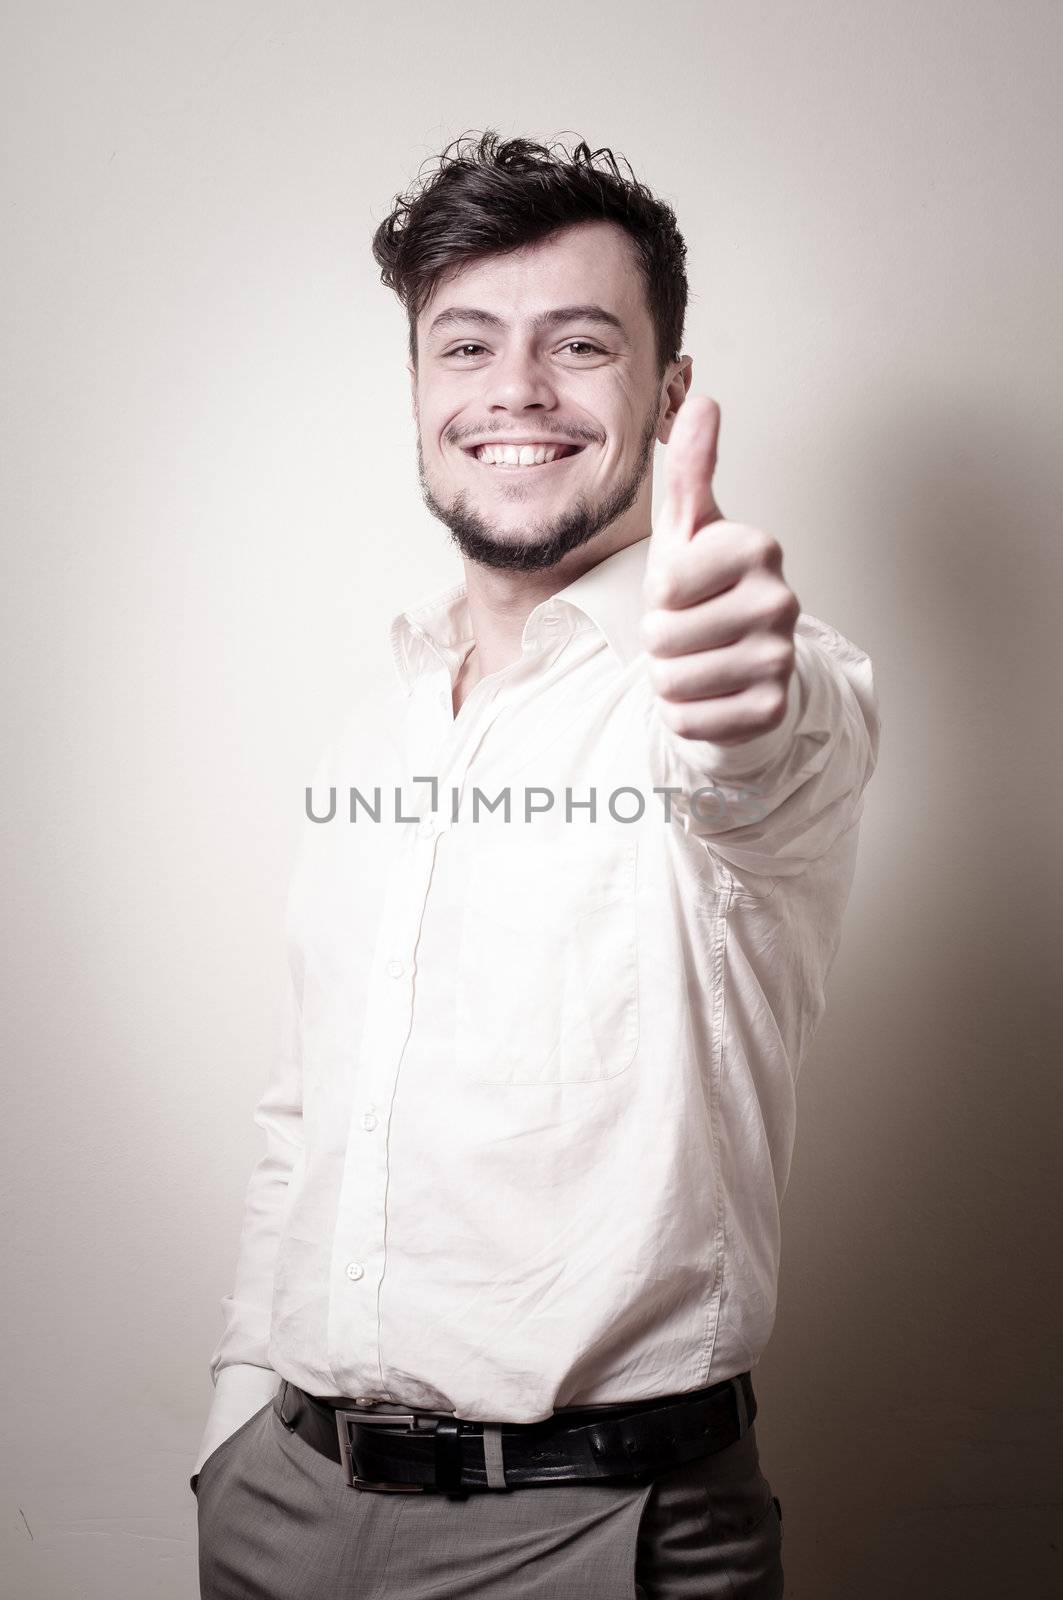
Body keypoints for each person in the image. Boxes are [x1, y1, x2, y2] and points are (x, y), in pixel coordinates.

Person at [192, 131, 880, 1599]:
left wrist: (743, 683)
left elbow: (770, 748)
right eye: (465, 348)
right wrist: (236, 1417)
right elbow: (305, 1113)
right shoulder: (378, 727)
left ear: (669, 394)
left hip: (596, 1535)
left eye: (580, 345)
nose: (513, 393)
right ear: (421, 391)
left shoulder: (732, 681)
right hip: (284, 1511)